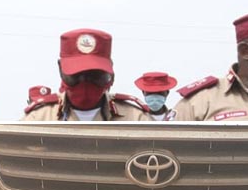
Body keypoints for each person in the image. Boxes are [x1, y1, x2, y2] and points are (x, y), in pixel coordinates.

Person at [22, 29, 151, 121]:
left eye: (94, 75)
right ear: (60, 69)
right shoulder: (39, 118)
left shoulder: (136, 119)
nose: (84, 82)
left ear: (109, 71)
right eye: (76, 74)